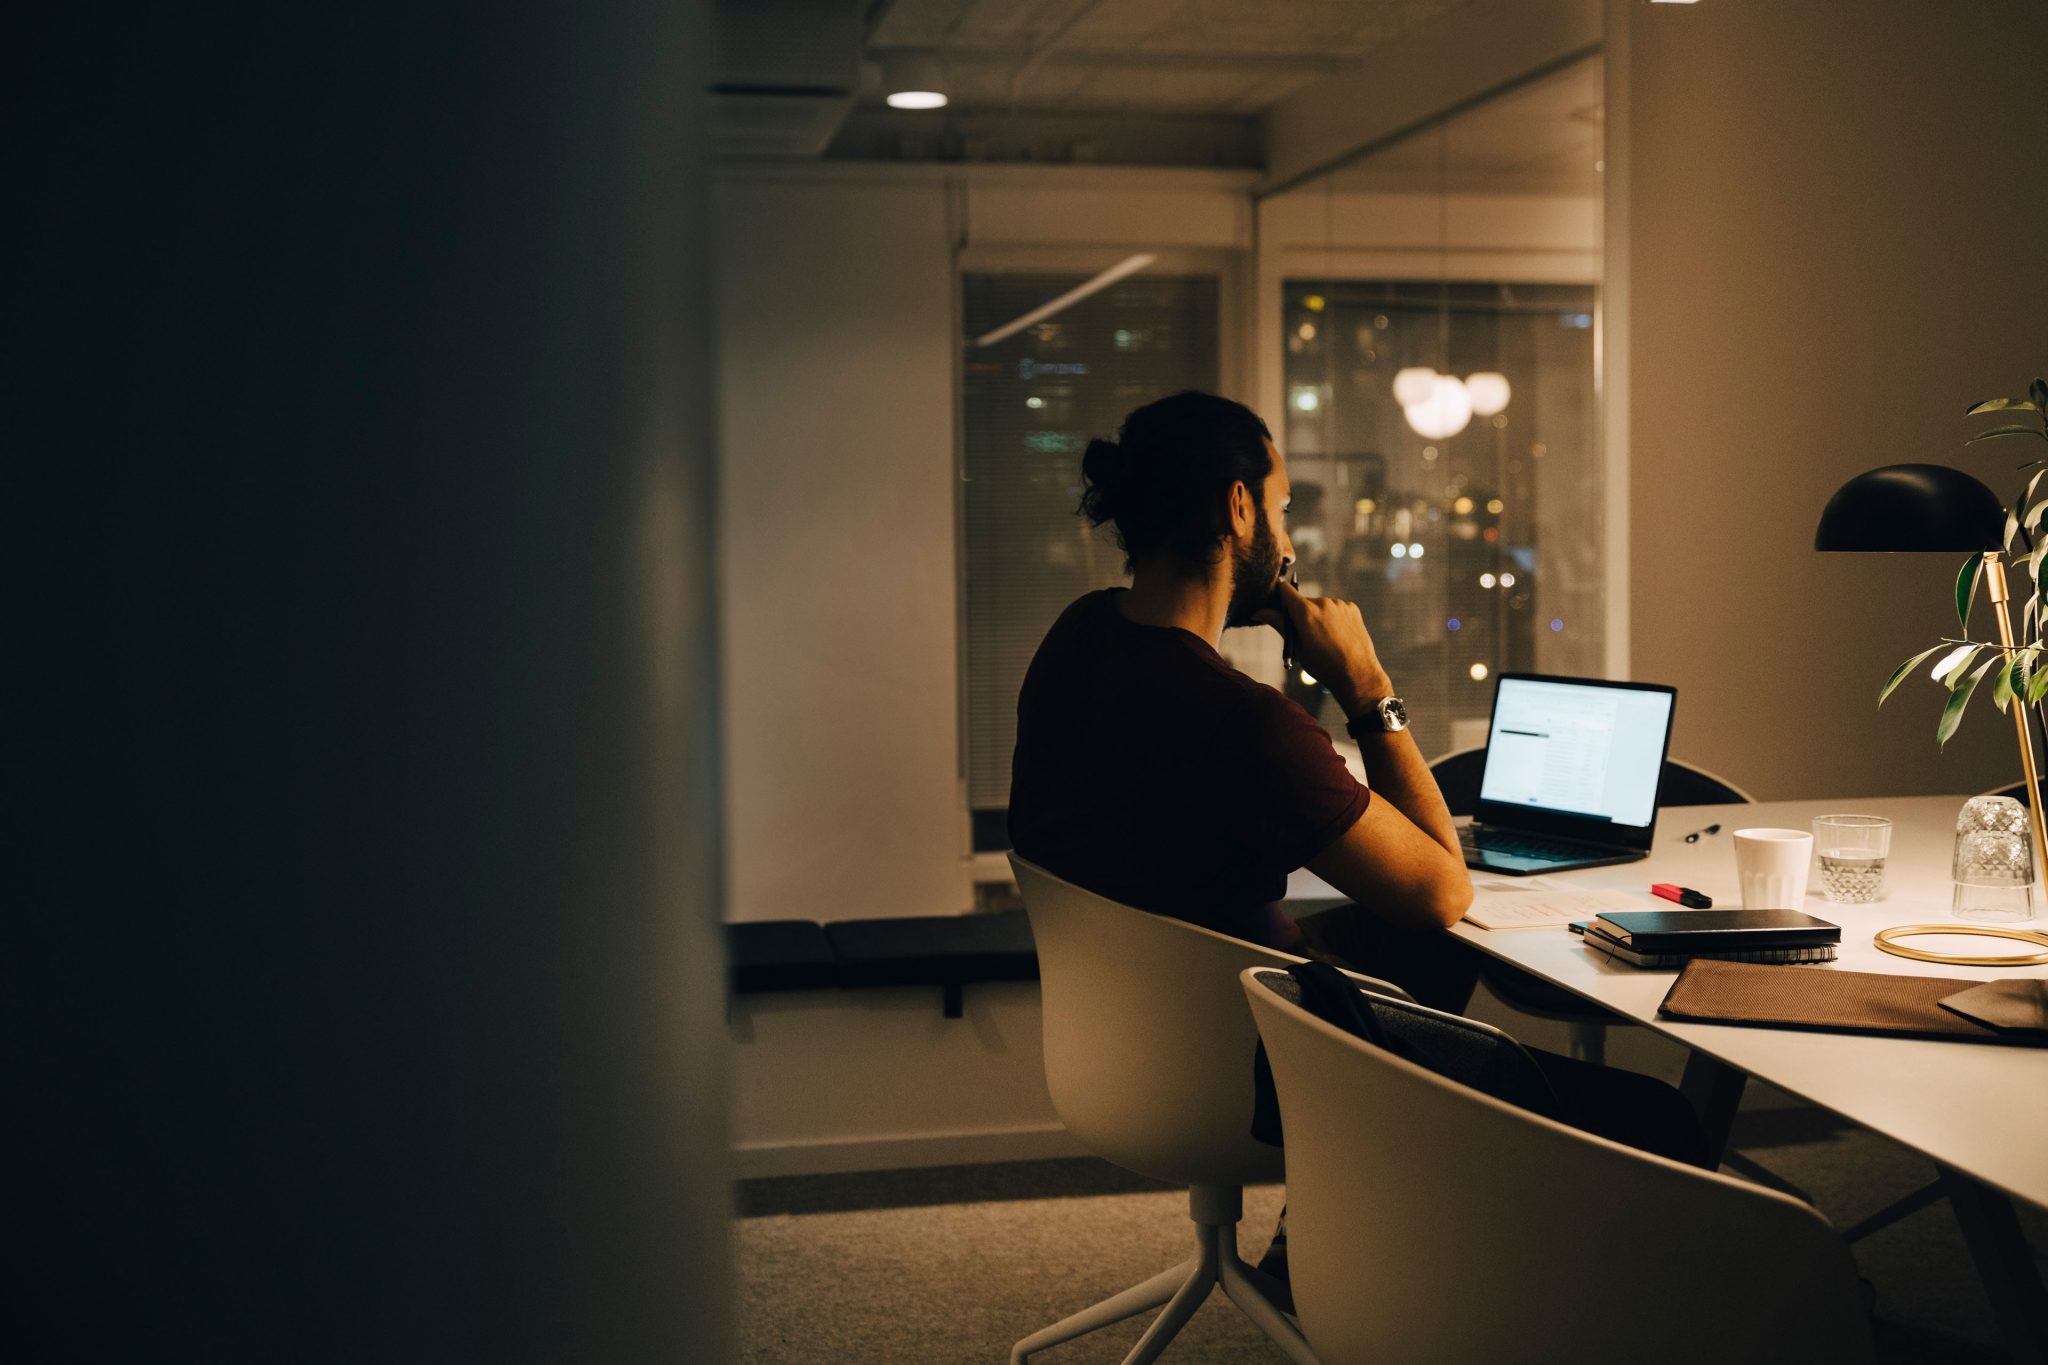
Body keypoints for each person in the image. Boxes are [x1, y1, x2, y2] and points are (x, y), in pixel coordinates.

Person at [1007, 392, 1707, 1295]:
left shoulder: (1078, 639)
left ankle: (1315, 1246)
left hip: (1138, 1037)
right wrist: (1365, 683)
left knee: (1409, 945)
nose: (1291, 544)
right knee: (1657, 1115)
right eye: (1285, 507)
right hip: (1266, 1055)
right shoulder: (1244, 724)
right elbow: (1442, 890)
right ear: (1237, 507)